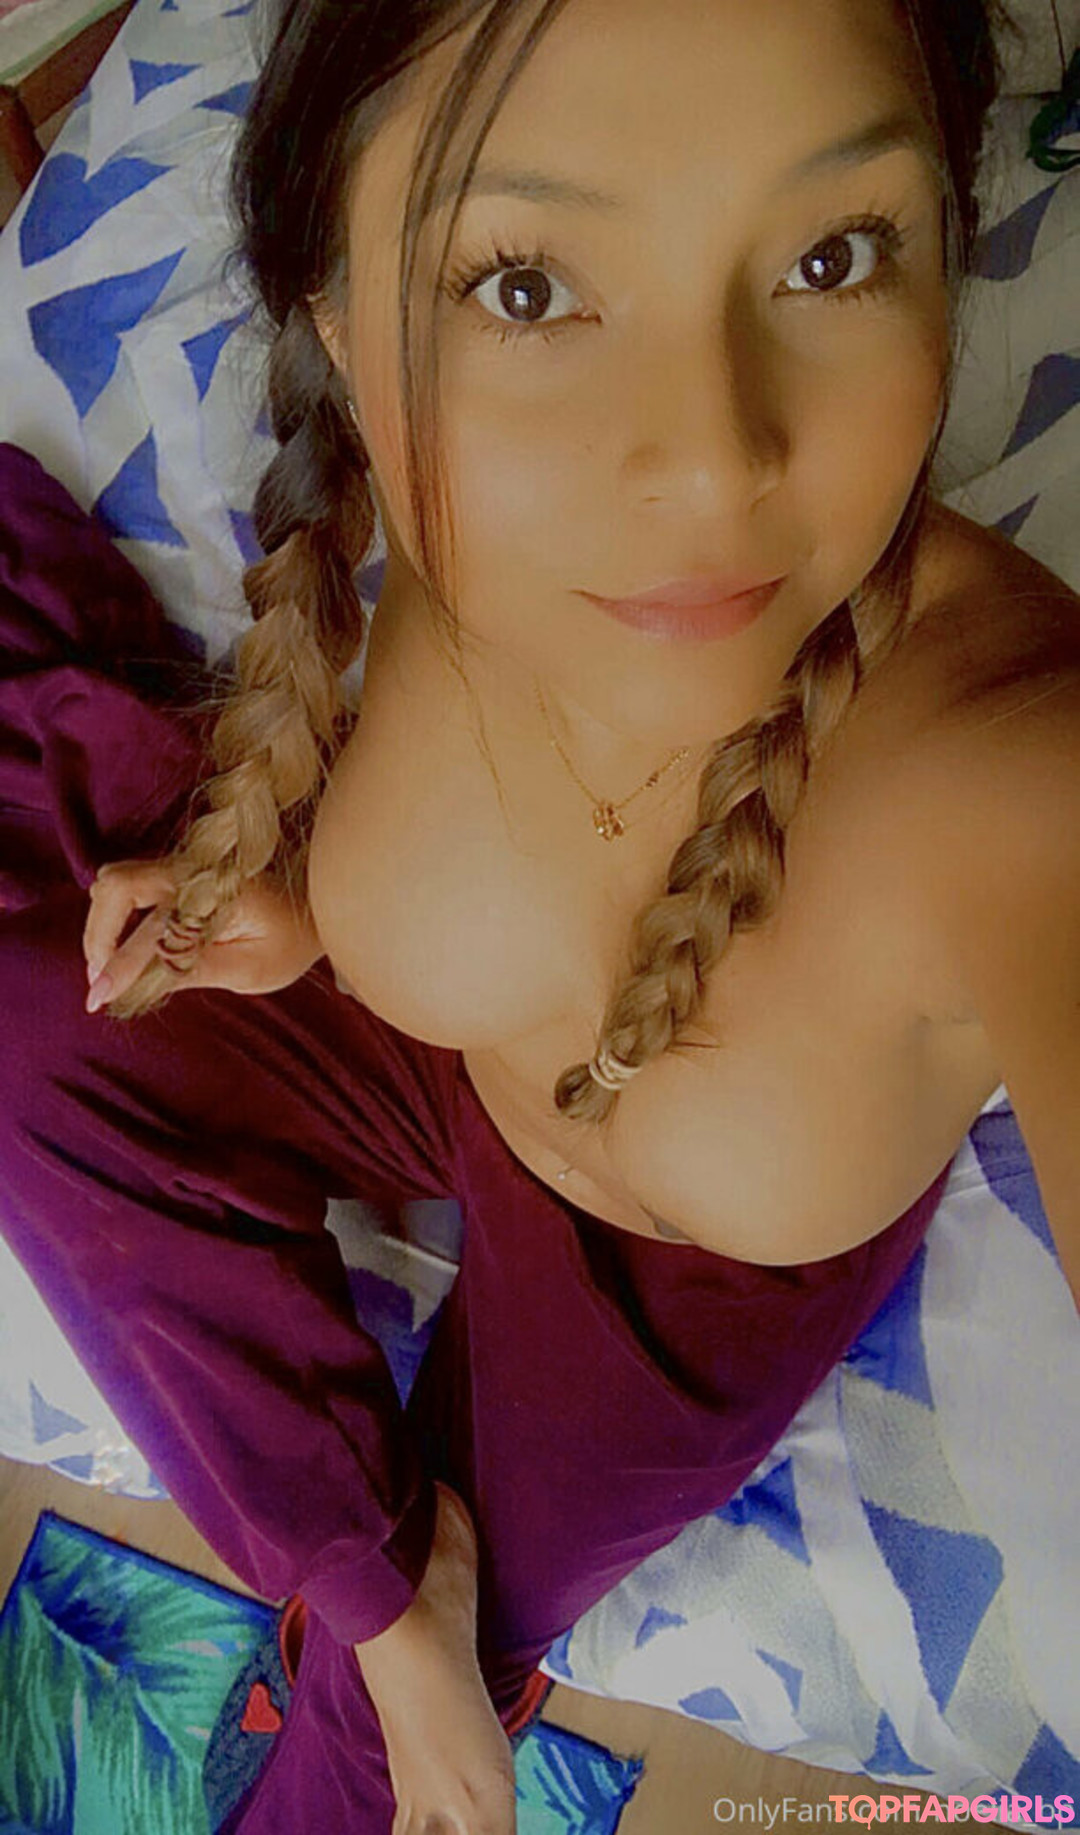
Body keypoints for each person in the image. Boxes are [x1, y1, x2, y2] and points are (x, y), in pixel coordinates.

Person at [1, 0, 1078, 1827]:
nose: (710, 467)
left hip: (674, 1304)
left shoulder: (1017, 771)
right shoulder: (453, 521)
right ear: (347, 341)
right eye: (527, 288)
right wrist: (300, 913)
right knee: (36, 1028)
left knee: (377, 1771)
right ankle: (384, 1600)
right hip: (439, 1071)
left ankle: (401, 1652)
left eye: (833, 256)